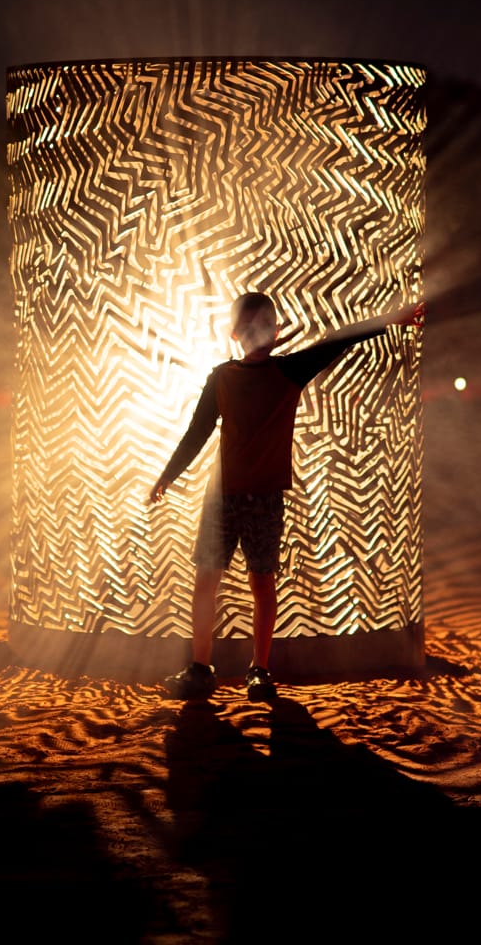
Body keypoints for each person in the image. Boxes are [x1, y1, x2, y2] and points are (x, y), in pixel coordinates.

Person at [148, 293, 425, 702]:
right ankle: (200, 667)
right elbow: (197, 433)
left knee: (262, 582)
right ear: (236, 333)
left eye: (264, 326)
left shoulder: (289, 370)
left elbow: (339, 339)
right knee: (206, 581)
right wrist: (166, 477)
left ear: (276, 333)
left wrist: (393, 318)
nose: (257, 334)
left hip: (264, 497)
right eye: (249, 327)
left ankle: (259, 669)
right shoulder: (220, 377)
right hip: (220, 497)